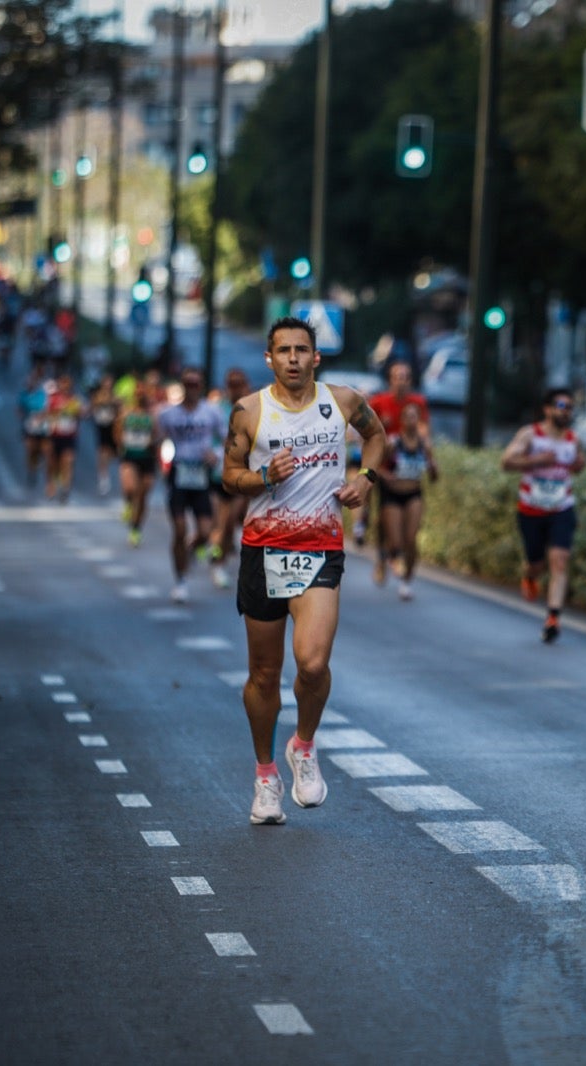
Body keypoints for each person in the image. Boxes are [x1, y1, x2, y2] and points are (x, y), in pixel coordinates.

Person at [221, 315, 386, 826]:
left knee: (312, 664)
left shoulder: (343, 402)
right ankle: (266, 775)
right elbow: (229, 476)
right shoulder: (249, 411)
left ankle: (305, 745)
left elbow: (376, 437)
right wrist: (262, 476)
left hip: (320, 549)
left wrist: (367, 479)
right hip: (263, 550)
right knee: (265, 675)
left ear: (316, 357)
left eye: (301, 349)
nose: (293, 358)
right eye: (283, 350)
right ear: (268, 359)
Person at [502, 387, 585, 643]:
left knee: (560, 560)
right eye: (561, 405)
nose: (565, 411)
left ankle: (553, 617)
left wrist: (578, 465)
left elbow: (577, 465)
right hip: (531, 508)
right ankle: (529, 575)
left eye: (569, 407)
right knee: (536, 562)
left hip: (562, 507)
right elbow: (506, 462)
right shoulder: (531, 435)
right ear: (547, 409)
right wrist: (536, 461)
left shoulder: (573, 439)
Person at [156, 369, 224, 603]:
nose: (192, 387)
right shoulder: (168, 414)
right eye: (188, 383)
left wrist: (216, 455)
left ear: (201, 385)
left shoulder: (211, 412)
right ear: (183, 385)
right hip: (179, 472)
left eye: (196, 383)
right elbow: (157, 439)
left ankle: (188, 551)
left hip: (201, 473)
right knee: (179, 528)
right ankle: (180, 581)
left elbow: (226, 440)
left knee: (206, 532)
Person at [377, 399, 439, 601]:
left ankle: (407, 580)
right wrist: (386, 476)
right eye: (408, 417)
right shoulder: (393, 443)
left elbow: (434, 476)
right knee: (395, 542)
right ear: (402, 420)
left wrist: (433, 468)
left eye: (415, 417)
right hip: (393, 494)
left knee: (411, 539)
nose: (412, 421)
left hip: (414, 493)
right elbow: (376, 466)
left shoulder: (425, 444)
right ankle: (390, 554)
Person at [368, 361, 430, 559]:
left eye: (405, 377)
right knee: (380, 514)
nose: (401, 381)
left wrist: (424, 446)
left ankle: (400, 551)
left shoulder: (418, 402)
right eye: (397, 377)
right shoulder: (379, 402)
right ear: (390, 380)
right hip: (385, 466)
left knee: (409, 530)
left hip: (407, 465)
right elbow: (366, 430)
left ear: (410, 380)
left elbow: (424, 429)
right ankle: (364, 522)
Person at [208, 367, 252, 590]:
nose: (236, 388)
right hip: (219, 473)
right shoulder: (217, 410)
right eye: (232, 384)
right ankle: (217, 559)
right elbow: (210, 438)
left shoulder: (253, 408)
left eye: (240, 383)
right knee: (221, 523)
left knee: (231, 522)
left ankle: (219, 556)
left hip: (242, 476)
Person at [115, 388, 158, 548]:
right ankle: (127, 503)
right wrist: (121, 445)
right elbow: (117, 431)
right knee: (130, 488)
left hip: (147, 459)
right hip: (130, 456)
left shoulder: (152, 416)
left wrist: (153, 443)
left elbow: (156, 435)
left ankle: (136, 528)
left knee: (143, 495)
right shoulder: (127, 414)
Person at [43, 373, 85, 502]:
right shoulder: (53, 399)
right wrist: (56, 413)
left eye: (68, 384)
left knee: (68, 461)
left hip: (69, 437)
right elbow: (46, 415)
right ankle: (51, 483)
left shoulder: (75, 400)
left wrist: (78, 412)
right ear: (59, 385)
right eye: (63, 383)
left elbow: (83, 414)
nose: (66, 386)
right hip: (55, 436)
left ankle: (65, 488)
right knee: (52, 463)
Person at [90, 373, 120, 496]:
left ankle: (111, 474)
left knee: (113, 453)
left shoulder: (115, 395)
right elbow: (94, 405)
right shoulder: (97, 396)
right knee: (102, 452)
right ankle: (103, 478)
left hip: (112, 426)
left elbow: (119, 404)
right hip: (102, 426)